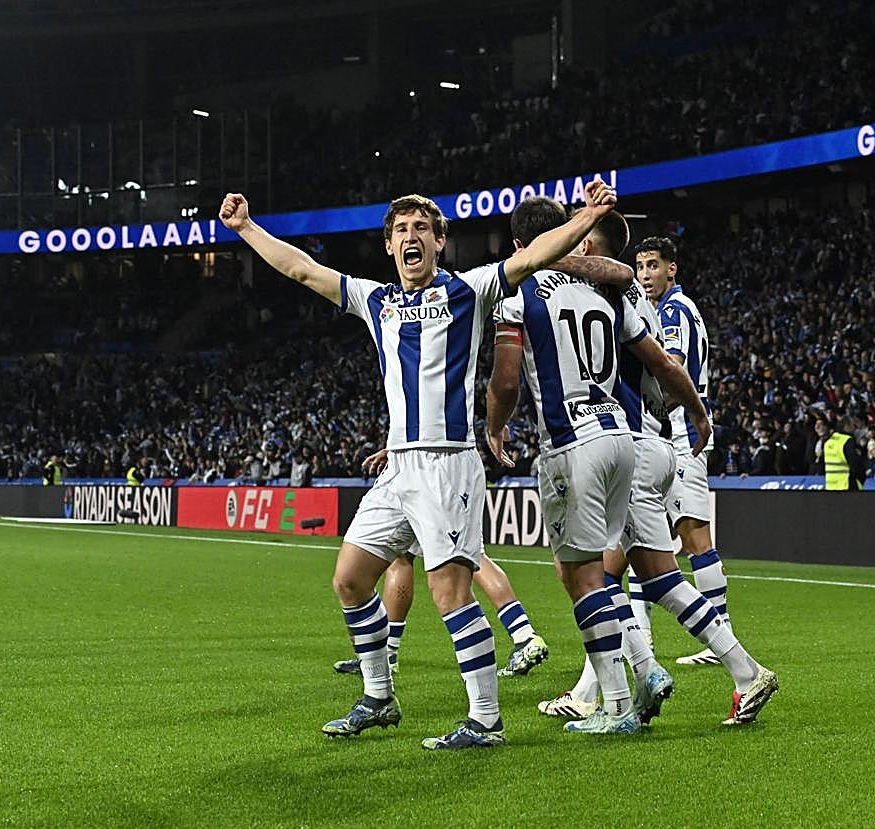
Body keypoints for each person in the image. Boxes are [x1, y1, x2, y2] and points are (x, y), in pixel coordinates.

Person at [218, 179, 617, 751]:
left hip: (448, 465)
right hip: (398, 469)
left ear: (440, 242)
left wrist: (588, 217)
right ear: (388, 246)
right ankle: (379, 698)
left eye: (422, 230)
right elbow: (303, 270)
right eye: (401, 230)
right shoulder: (374, 301)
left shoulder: (470, 291)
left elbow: (533, 254)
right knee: (350, 579)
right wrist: (246, 229)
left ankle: (485, 721)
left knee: (451, 593)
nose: (411, 237)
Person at [531, 211, 778, 727]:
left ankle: (620, 685)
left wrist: (697, 414)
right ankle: (737, 670)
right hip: (653, 447)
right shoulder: (629, 296)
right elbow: (666, 365)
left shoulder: (596, 294)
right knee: (654, 577)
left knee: (589, 574)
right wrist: (699, 413)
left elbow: (666, 361)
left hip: (627, 445)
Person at [486, 197, 663, 735]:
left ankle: (616, 703)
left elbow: (508, 380)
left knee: (583, 577)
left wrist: (494, 425)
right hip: (621, 434)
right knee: (592, 569)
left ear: (520, 246)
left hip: (571, 442)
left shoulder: (518, 288)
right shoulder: (599, 285)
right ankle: (644, 668)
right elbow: (625, 280)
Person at [332, 449, 549, 677]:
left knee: (422, 559)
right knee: (438, 555)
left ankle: (522, 637)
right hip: (448, 464)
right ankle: (522, 632)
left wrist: (400, 447)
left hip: (430, 466)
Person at [633, 236, 730, 666]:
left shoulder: (674, 310)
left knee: (692, 536)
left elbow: (673, 368)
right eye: (640, 267)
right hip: (671, 434)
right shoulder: (658, 311)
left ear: (672, 269)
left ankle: (720, 636)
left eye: (654, 265)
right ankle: (645, 637)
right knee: (642, 534)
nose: (646, 274)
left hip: (681, 435)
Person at [817, 416, 866, 490]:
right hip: (845, 485)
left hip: (831, 485)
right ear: (846, 426)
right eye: (853, 425)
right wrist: (861, 478)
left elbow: (823, 464)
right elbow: (855, 464)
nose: (855, 428)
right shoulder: (847, 441)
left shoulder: (828, 441)